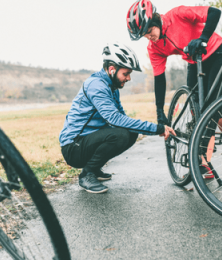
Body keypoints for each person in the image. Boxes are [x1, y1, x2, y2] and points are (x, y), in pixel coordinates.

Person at [126, 0, 222, 178]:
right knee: (196, 109)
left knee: (214, 107)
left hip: (217, 52)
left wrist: (202, 38)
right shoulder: (154, 47)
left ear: (156, 20)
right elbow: (159, 79)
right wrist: (159, 112)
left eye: (149, 31)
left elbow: (214, 12)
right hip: (194, 60)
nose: (149, 37)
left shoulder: (178, 14)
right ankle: (203, 162)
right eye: (144, 35)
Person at [59, 42, 176, 193]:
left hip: (84, 141)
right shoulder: (96, 85)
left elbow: (122, 117)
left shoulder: (111, 88)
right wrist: (155, 128)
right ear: (112, 70)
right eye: (125, 74)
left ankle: (94, 169)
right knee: (120, 135)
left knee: (130, 132)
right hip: (73, 147)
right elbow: (115, 119)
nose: (128, 78)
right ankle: (87, 174)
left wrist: (151, 129)